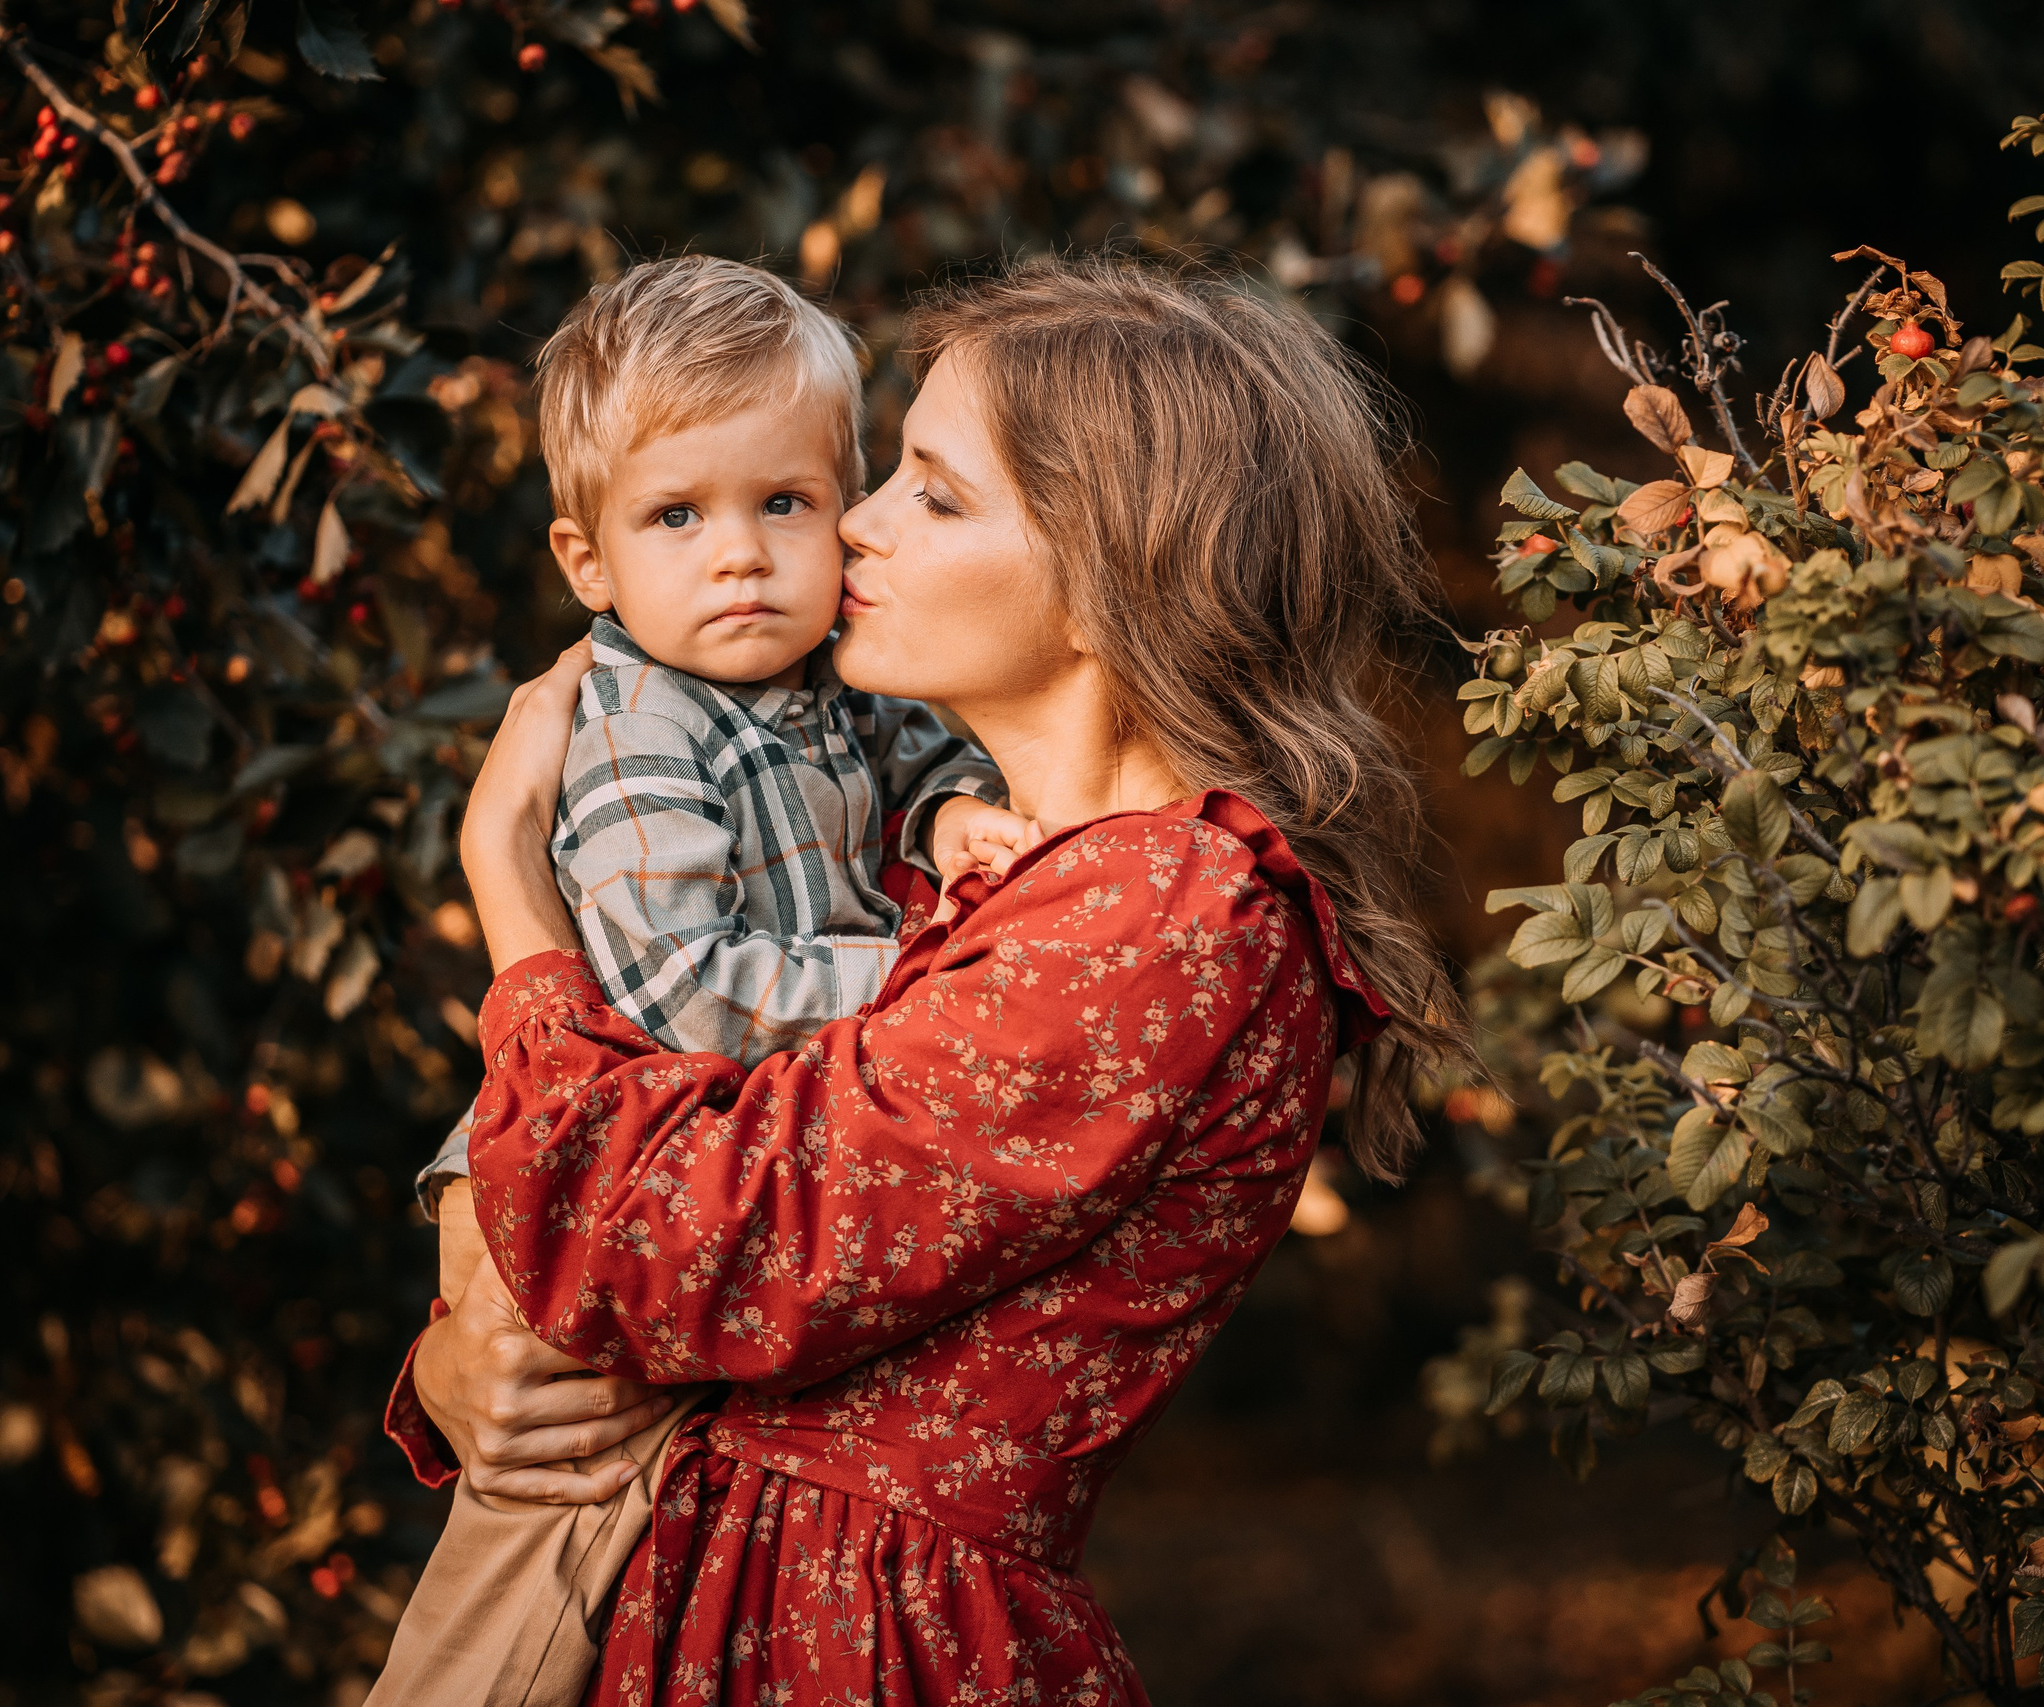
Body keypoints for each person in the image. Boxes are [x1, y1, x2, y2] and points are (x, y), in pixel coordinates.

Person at [390, 255, 1470, 1705]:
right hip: (710, 1591)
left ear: (1112, 581)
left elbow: (680, 1251)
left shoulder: (1161, 917)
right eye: (884, 472)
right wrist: (471, 1365)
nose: (856, 526)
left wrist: (509, 887)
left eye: (932, 495)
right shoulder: (969, 869)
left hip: (867, 1648)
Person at [373, 254, 1031, 1706]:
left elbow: (916, 761)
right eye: (679, 516)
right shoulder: (639, 721)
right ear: (588, 563)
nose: (739, 555)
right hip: (571, 1144)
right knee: (543, 1510)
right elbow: (681, 984)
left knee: (626, 1525)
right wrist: (915, 971)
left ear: (841, 506)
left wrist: (952, 817)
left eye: (781, 504)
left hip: (672, 1149)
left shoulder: (833, 675)